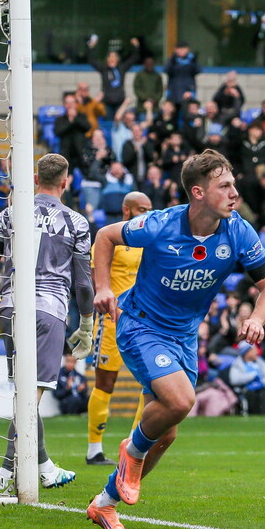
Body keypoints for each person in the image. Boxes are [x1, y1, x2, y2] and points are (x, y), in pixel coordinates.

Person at [86, 149, 265, 529]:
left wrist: (257, 318)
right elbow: (106, 236)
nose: (234, 193)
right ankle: (131, 452)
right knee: (180, 401)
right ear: (197, 192)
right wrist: (103, 288)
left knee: (167, 431)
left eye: (233, 185)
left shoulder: (238, 231)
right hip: (140, 326)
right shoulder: (160, 224)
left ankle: (104, 504)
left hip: (184, 335)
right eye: (223, 186)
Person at [0, 153, 94, 493]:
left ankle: (44, 466)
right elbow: (84, 284)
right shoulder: (76, 222)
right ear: (66, 182)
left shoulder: (9, 214)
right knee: (31, 398)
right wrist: (86, 325)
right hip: (48, 310)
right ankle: (5, 472)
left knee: (24, 395)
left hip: (11, 307)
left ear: (35, 178)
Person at [85, 191, 153, 465]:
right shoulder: (110, 239)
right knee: (105, 383)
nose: (147, 215)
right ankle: (94, 450)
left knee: (150, 383)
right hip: (112, 320)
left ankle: (134, 447)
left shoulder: (151, 240)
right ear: (127, 211)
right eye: (142, 209)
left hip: (144, 321)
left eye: (150, 209)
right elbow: (94, 279)